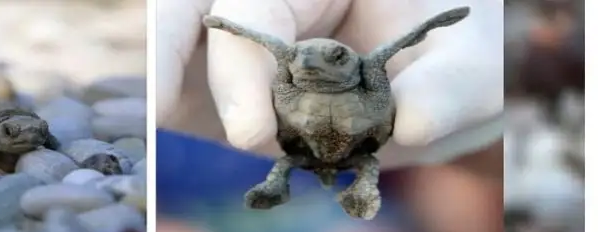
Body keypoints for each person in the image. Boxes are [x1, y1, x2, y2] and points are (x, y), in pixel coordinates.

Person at [157, 0, 504, 177]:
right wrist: (224, 25)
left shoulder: (370, 68)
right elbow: (263, 38)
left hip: (370, 166)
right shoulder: (287, 64)